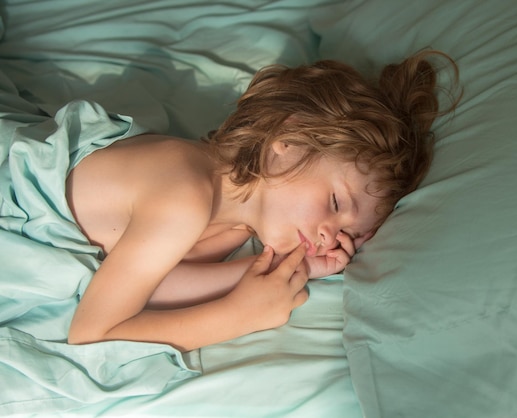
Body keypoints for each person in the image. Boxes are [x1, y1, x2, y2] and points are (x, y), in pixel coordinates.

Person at [66, 50, 460, 352]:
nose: (329, 235)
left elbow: (148, 284)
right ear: (287, 142)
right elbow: (92, 334)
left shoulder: (236, 224)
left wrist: (289, 269)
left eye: (347, 233)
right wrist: (237, 316)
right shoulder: (183, 196)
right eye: (336, 203)